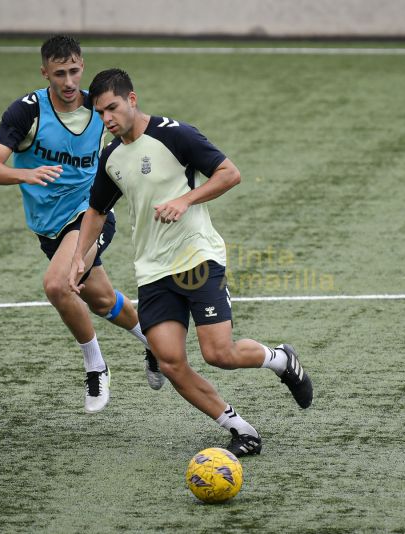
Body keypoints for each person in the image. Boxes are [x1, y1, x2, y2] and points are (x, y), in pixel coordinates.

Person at [67, 68, 313, 457]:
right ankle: (240, 429)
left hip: (197, 256)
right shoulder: (111, 157)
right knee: (169, 361)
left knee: (219, 353)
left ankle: (280, 360)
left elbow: (229, 174)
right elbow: (96, 211)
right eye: (100, 113)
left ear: (132, 99)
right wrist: (79, 259)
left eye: (112, 108)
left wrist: (185, 200)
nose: (107, 119)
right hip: (153, 270)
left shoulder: (175, 134)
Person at [0, 35, 164, 414]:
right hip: (47, 226)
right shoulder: (27, 111)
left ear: (83, 67)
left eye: (74, 71)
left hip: (89, 215)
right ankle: (156, 345)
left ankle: (96, 366)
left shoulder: (98, 108)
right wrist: (26, 174)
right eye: (59, 73)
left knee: (57, 285)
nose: (68, 81)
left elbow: (137, 131)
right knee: (100, 300)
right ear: (44, 72)